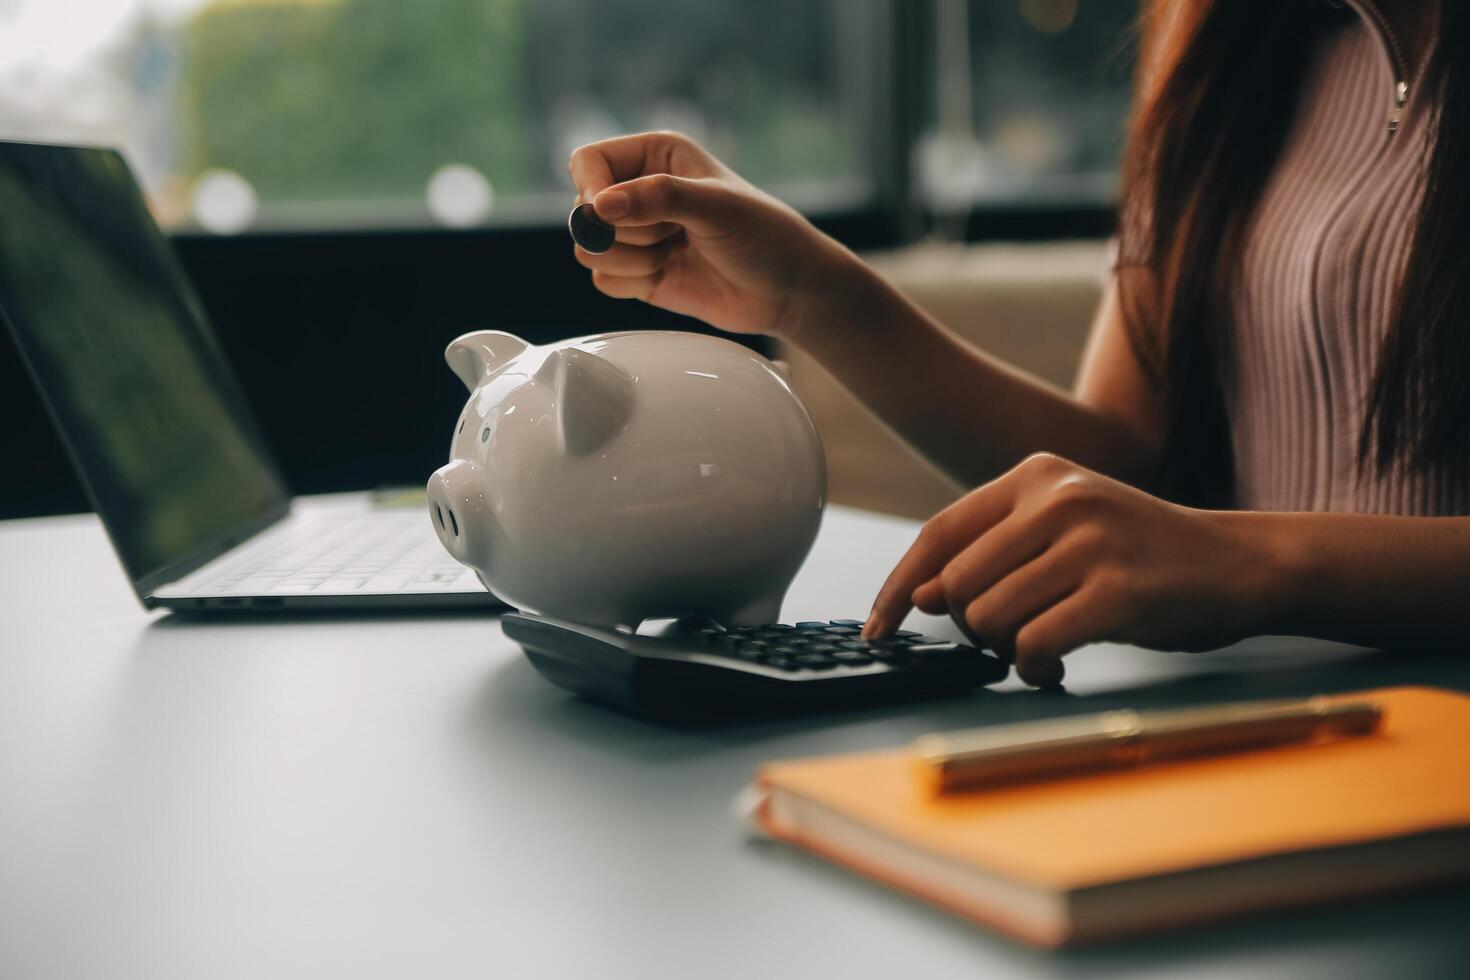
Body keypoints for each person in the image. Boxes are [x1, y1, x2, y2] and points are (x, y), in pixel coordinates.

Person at [566, 0, 1466, 687]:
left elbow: (1208, 551)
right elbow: (1122, 464)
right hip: (1267, 725)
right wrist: (808, 292)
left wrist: (1256, 563)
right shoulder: (1218, 32)